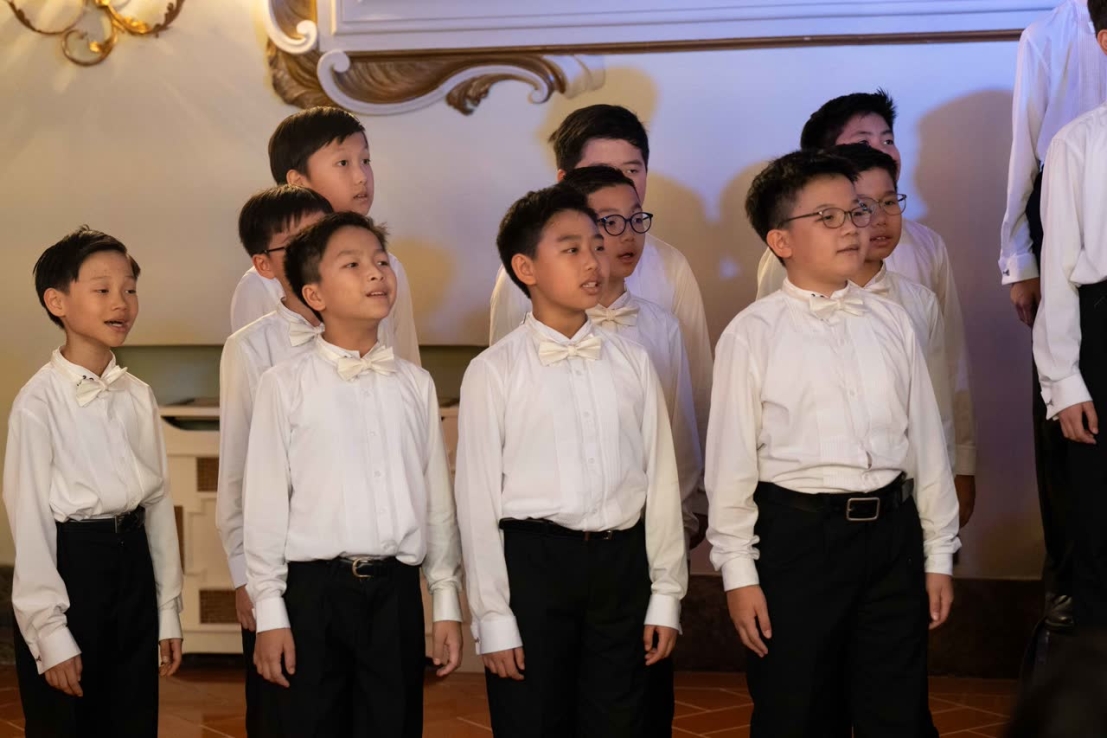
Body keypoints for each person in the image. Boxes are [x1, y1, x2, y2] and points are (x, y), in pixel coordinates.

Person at [711, 150, 959, 736]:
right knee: (797, 710)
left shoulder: (893, 321)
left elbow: (926, 444)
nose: (852, 228)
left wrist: (938, 554)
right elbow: (730, 469)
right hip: (798, 542)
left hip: (891, 538)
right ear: (781, 240)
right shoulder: (752, 335)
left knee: (896, 712)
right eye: (828, 217)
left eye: (856, 212)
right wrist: (739, 574)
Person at [457, 184, 688, 737]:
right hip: (534, 568)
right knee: (534, 720)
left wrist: (666, 594)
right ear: (525, 268)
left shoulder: (634, 362)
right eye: (571, 249)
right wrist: (493, 616)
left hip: (622, 565)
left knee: (626, 719)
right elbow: (477, 501)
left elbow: (660, 480)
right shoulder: (493, 372)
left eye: (596, 246)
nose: (593, 261)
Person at [243, 212, 463, 736]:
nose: (375, 273)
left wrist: (446, 599)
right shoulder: (284, 384)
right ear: (314, 294)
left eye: (381, 261)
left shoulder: (415, 384)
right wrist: (270, 613)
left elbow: (436, 501)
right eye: (353, 264)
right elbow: (266, 505)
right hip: (314, 594)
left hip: (395, 594)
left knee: (394, 722)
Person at [755, 90, 976, 528]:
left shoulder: (925, 249)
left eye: (887, 139)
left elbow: (949, 367)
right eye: (863, 141)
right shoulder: (786, 259)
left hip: (909, 474)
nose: (882, 151)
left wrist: (962, 462)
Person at [4, 227, 184, 737]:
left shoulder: (138, 395)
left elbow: (159, 502)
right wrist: (50, 632)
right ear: (57, 302)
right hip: (73, 568)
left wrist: (167, 610)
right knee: (69, 722)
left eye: (130, 289)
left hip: (133, 567)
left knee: (131, 716)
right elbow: (30, 523)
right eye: (102, 289)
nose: (121, 303)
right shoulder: (37, 403)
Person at [1000, 0, 1107, 628]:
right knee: (1086, 486)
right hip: (1093, 300)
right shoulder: (1076, 141)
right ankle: (1078, 602)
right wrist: (1019, 256)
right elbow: (1026, 148)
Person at [215, 184, 332, 736]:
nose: (318, 252)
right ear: (264, 265)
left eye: (325, 235)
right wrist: (245, 574)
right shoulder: (251, 347)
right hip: (282, 563)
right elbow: (237, 465)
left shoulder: (371, 337)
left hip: (357, 562)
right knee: (286, 711)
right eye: (299, 243)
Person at [229, 106, 421, 365]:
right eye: (343, 163)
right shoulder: (262, 282)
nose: (361, 177)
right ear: (297, 181)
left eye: (365, 161)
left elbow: (407, 361)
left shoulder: (387, 267)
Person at [1033, 0, 1107, 633]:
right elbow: (1057, 267)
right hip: (1102, 328)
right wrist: (1064, 379)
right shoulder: (1077, 143)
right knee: (1099, 516)